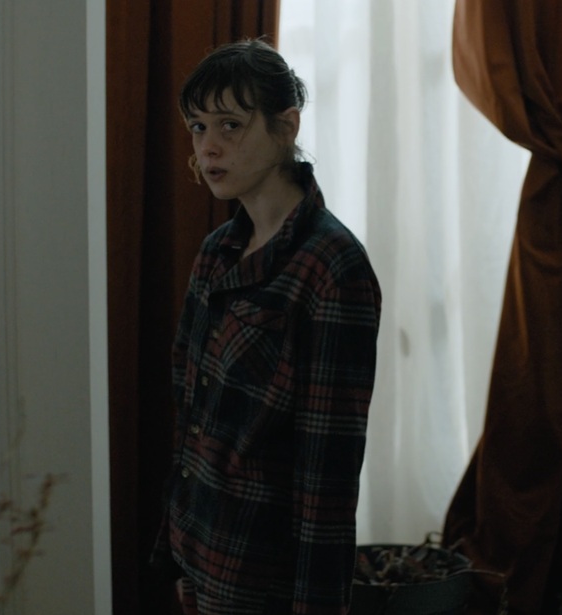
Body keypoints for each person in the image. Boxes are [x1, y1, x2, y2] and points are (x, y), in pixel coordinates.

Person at [151, 39, 382, 614]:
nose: (209, 146)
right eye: (198, 127)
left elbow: (327, 472)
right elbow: (191, 419)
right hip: (200, 550)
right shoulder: (217, 252)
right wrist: (178, 552)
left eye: (231, 124)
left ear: (286, 126)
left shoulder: (333, 267)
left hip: (265, 578)